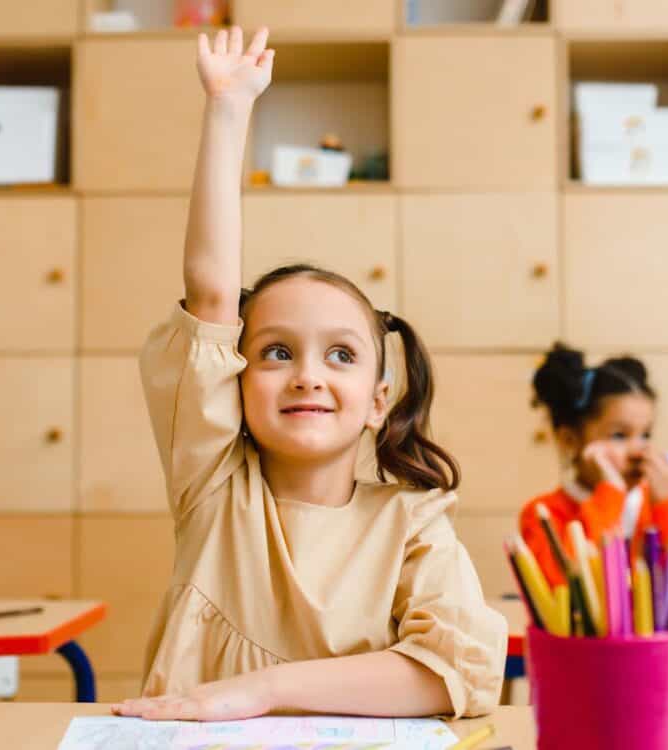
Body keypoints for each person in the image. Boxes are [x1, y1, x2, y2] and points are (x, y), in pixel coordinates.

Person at [111, 26, 506, 722]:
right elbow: (209, 294)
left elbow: (455, 672)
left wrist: (261, 691)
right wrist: (227, 112)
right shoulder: (213, 486)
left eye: (341, 356)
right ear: (233, 380)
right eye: (275, 352)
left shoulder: (413, 524)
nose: (306, 376)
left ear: (378, 401)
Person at [521, 343, 668, 750]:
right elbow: (580, 591)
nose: (639, 450)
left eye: (646, 434)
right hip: (588, 697)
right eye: (619, 435)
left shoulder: (661, 506)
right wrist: (609, 496)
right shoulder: (545, 514)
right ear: (570, 439)